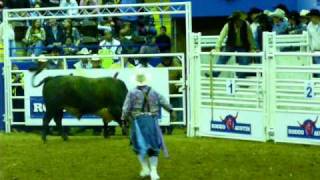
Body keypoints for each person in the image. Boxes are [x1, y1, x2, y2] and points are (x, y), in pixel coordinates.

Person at [121, 71, 176, 180]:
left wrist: (123, 120)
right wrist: (171, 110)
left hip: (138, 122)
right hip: (151, 121)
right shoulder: (153, 92)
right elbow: (164, 101)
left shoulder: (132, 93)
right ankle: (154, 172)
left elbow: (126, 108)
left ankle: (145, 168)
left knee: (138, 145)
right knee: (153, 145)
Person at [206, 11, 256, 78]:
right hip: (230, 45)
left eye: (242, 20)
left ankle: (241, 78)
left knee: (244, 62)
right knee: (222, 59)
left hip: (243, 45)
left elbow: (250, 37)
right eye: (240, 20)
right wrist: (217, 47)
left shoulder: (246, 24)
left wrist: (253, 47)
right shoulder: (228, 25)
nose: (242, 22)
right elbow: (221, 36)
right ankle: (214, 74)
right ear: (236, 20)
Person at [307, 9, 320, 78]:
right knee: (317, 71)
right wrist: (310, 48)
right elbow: (309, 38)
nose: (311, 18)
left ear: (317, 17)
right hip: (314, 52)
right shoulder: (309, 26)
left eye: (312, 16)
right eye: (311, 17)